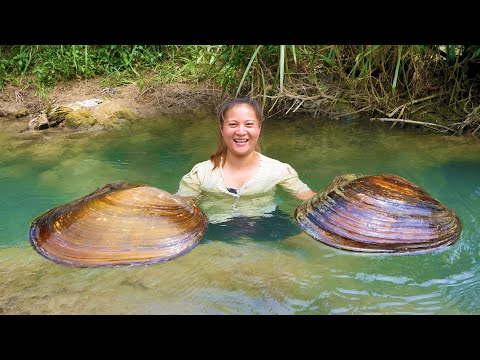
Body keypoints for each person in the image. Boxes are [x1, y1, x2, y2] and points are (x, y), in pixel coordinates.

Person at [176, 96, 316, 226]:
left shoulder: (278, 170)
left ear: (259, 128)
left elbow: (310, 199)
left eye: (249, 124)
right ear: (222, 129)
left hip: (267, 225)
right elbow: (179, 206)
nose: (241, 131)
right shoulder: (201, 173)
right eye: (233, 124)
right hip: (215, 227)